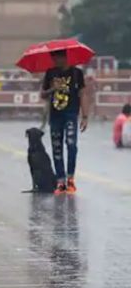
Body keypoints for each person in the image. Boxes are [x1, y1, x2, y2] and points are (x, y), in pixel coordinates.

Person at [41, 49, 89, 195]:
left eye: (57, 58)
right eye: (53, 58)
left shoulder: (76, 73)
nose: (55, 61)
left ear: (64, 57)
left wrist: (85, 116)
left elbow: (82, 94)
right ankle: (60, 181)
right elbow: (43, 94)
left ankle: (70, 178)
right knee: (57, 147)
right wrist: (51, 89)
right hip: (55, 116)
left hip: (70, 114)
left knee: (71, 144)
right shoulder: (50, 73)